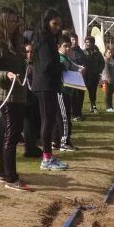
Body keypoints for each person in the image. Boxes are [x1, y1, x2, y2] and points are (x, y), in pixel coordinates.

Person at [0, 6, 30, 191]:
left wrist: (26, 65)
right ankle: (11, 177)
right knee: (12, 136)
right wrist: (7, 74)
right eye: (10, 21)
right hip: (6, 96)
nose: (13, 24)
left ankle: (4, 174)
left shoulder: (15, 41)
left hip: (18, 94)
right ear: (2, 22)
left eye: (15, 21)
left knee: (10, 133)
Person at [32, 9, 68, 172]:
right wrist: (61, 66)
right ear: (46, 22)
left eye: (59, 24)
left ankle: (48, 156)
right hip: (45, 86)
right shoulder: (44, 40)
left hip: (46, 85)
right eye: (54, 23)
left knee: (49, 121)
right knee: (47, 121)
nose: (57, 27)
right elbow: (47, 66)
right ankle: (46, 159)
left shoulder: (47, 39)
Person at [53, 38, 75, 151]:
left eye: (69, 46)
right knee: (64, 117)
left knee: (60, 117)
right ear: (58, 46)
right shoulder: (59, 58)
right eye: (65, 46)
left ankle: (55, 141)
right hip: (61, 91)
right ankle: (64, 142)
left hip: (67, 91)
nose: (67, 49)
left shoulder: (67, 58)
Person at [22, 41, 42, 158]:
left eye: (31, 52)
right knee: (27, 122)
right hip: (25, 98)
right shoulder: (23, 65)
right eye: (27, 52)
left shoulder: (36, 64)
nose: (29, 54)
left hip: (35, 97)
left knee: (35, 121)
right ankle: (29, 148)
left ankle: (33, 143)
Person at [83, 35, 104, 113]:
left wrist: (98, 70)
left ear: (93, 43)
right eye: (86, 42)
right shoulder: (83, 52)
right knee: (81, 92)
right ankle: (78, 109)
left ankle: (93, 106)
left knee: (93, 91)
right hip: (85, 75)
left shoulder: (98, 53)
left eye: (88, 42)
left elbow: (102, 63)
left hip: (94, 76)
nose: (87, 44)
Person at [69, 34, 86, 119]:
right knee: (73, 96)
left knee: (80, 95)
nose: (74, 41)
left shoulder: (80, 51)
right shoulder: (68, 51)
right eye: (72, 39)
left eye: (76, 39)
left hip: (81, 77)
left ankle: (79, 113)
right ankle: (73, 113)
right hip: (71, 76)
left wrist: (83, 69)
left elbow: (84, 62)